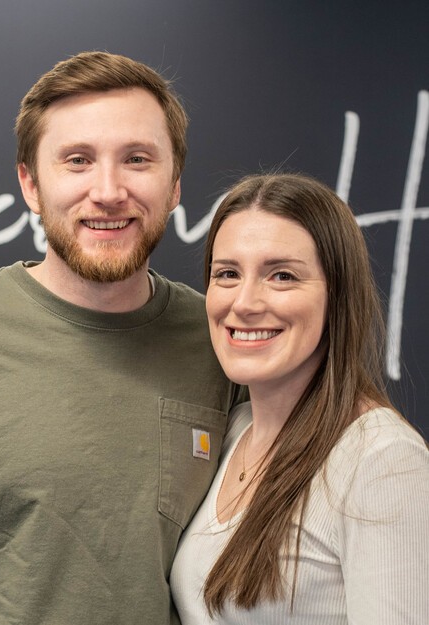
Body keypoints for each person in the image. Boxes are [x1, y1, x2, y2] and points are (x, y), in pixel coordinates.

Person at [0, 51, 245, 625]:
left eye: (137, 159)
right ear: (30, 184)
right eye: (77, 160)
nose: (108, 190)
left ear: (174, 184)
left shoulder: (223, 343)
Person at [170, 173, 429, 624]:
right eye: (228, 274)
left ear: (338, 296)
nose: (244, 303)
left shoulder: (381, 459)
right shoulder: (234, 430)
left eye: (282, 276)